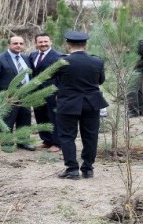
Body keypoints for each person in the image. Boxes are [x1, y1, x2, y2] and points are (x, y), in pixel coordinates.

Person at [55, 31, 108, 180]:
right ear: (86, 45)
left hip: (68, 103)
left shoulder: (61, 62)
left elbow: (52, 79)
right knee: (90, 136)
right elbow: (100, 81)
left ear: (68, 45)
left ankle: (72, 169)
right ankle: (88, 168)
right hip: (91, 103)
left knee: (67, 136)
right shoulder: (97, 61)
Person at [0, 35, 35, 151]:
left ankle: (23, 141)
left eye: (21, 43)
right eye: (15, 43)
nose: (18, 45)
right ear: (9, 45)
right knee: (7, 119)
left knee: (25, 118)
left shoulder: (26, 58)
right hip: (8, 96)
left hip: (25, 95)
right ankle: (6, 142)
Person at [28, 33, 64, 152]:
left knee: (53, 116)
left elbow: (62, 76)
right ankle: (46, 139)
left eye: (45, 41)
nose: (43, 44)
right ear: (36, 43)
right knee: (40, 115)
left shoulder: (58, 56)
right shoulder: (32, 56)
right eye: (40, 42)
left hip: (52, 91)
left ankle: (56, 142)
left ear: (51, 42)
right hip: (36, 92)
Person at [126, 39, 143, 118]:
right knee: (139, 89)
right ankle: (141, 110)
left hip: (139, 68)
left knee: (131, 90)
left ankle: (133, 112)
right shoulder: (126, 40)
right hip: (133, 68)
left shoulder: (138, 41)